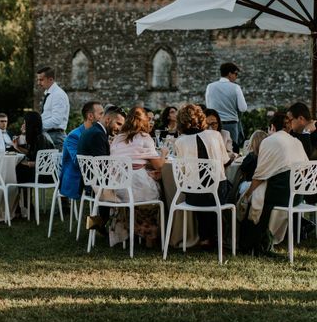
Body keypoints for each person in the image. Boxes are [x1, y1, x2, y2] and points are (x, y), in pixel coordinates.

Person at [241, 112, 308, 254]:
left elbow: (260, 174)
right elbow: (306, 168)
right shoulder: (297, 142)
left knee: (254, 197)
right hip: (298, 195)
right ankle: (259, 242)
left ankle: (250, 244)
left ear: (272, 126)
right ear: (288, 127)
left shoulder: (269, 141)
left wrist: (248, 193)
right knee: (258, 196)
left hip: (282, 193)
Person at [110, 107, 169, 247]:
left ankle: (132, 233)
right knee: (158, 191)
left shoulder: (117, 138)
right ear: (143, 121)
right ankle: (150, 237)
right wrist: (164, 153)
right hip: (136, 186)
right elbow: (159, 166)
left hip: (117, 187)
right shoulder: (144, 137)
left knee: (147, 182)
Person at [173, 104, 230, 249]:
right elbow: (225, 161)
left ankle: (205, 237)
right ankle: (220, 236)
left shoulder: (179, 142)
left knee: (198, 187)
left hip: (195, 196)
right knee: (219, 187)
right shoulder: (216, 135)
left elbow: (183, 171)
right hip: (218, 193)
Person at [59, 101, 104, 201]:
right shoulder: (74, 136)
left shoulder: (100, 134)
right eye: (101, 114)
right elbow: (78, 161)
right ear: (90, 116)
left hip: (93, 176)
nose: (103, 117)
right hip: (78, 179)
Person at [205, 62, 247, 153]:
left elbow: (208, 107)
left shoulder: (210, 87)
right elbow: (243, 108)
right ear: (229, 74)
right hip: (231, 124)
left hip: (214, 124)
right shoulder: (235, 87)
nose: (236, 77)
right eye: (236, 74)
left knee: (215, 151)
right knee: (232, 152)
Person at [12, 111, 55, 184]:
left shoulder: (41, 138)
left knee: (15, 170)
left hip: (43, 175)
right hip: (43, 173)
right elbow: (33, 154)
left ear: (31, 124)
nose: (23, 125)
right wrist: (17, 147)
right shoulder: (39, 136)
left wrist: (25, 163)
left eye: (25, 123)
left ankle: (16, 194)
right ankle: (24, 195)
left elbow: (40, 162)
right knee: (17, 168)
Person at [37, 66, 70, 151]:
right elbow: (46, 116)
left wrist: (37, 126)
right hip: (49, 135)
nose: (38, 83)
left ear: (50, 79)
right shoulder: (50, 94)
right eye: (38, 80)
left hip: (56, 137)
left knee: (55, 164)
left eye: (41, 80)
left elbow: (56, 120)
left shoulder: (58, 95)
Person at [237, 130, 267, 196]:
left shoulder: (251, 156)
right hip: (265, 186)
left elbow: (243, 168)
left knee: (238, 185)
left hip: (250, 185)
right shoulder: (267, 157)